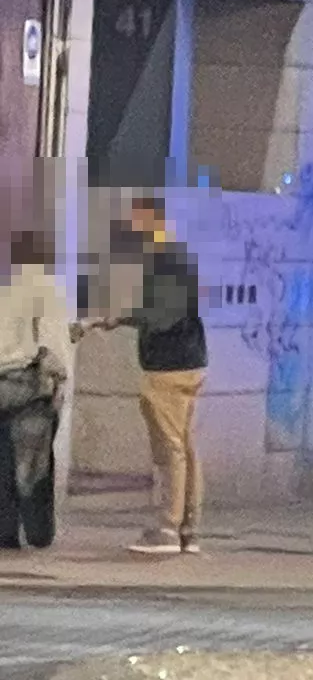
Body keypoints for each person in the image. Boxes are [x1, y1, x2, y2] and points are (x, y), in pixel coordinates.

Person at [111, 196, 208, 555]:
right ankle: (188, 529)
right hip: (188, 363)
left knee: (170, 450)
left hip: (168, 366)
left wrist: (120, 316)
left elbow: (161, 315)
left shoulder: (164, 262)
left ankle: (167, 528)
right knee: (184, 447)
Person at [0, 228, 69, 550]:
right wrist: (59, 381)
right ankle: (39, 534)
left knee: (0, 465)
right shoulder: (41, 282)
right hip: (26, 385)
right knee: (32, 467)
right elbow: (52, 340)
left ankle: (5, 533)